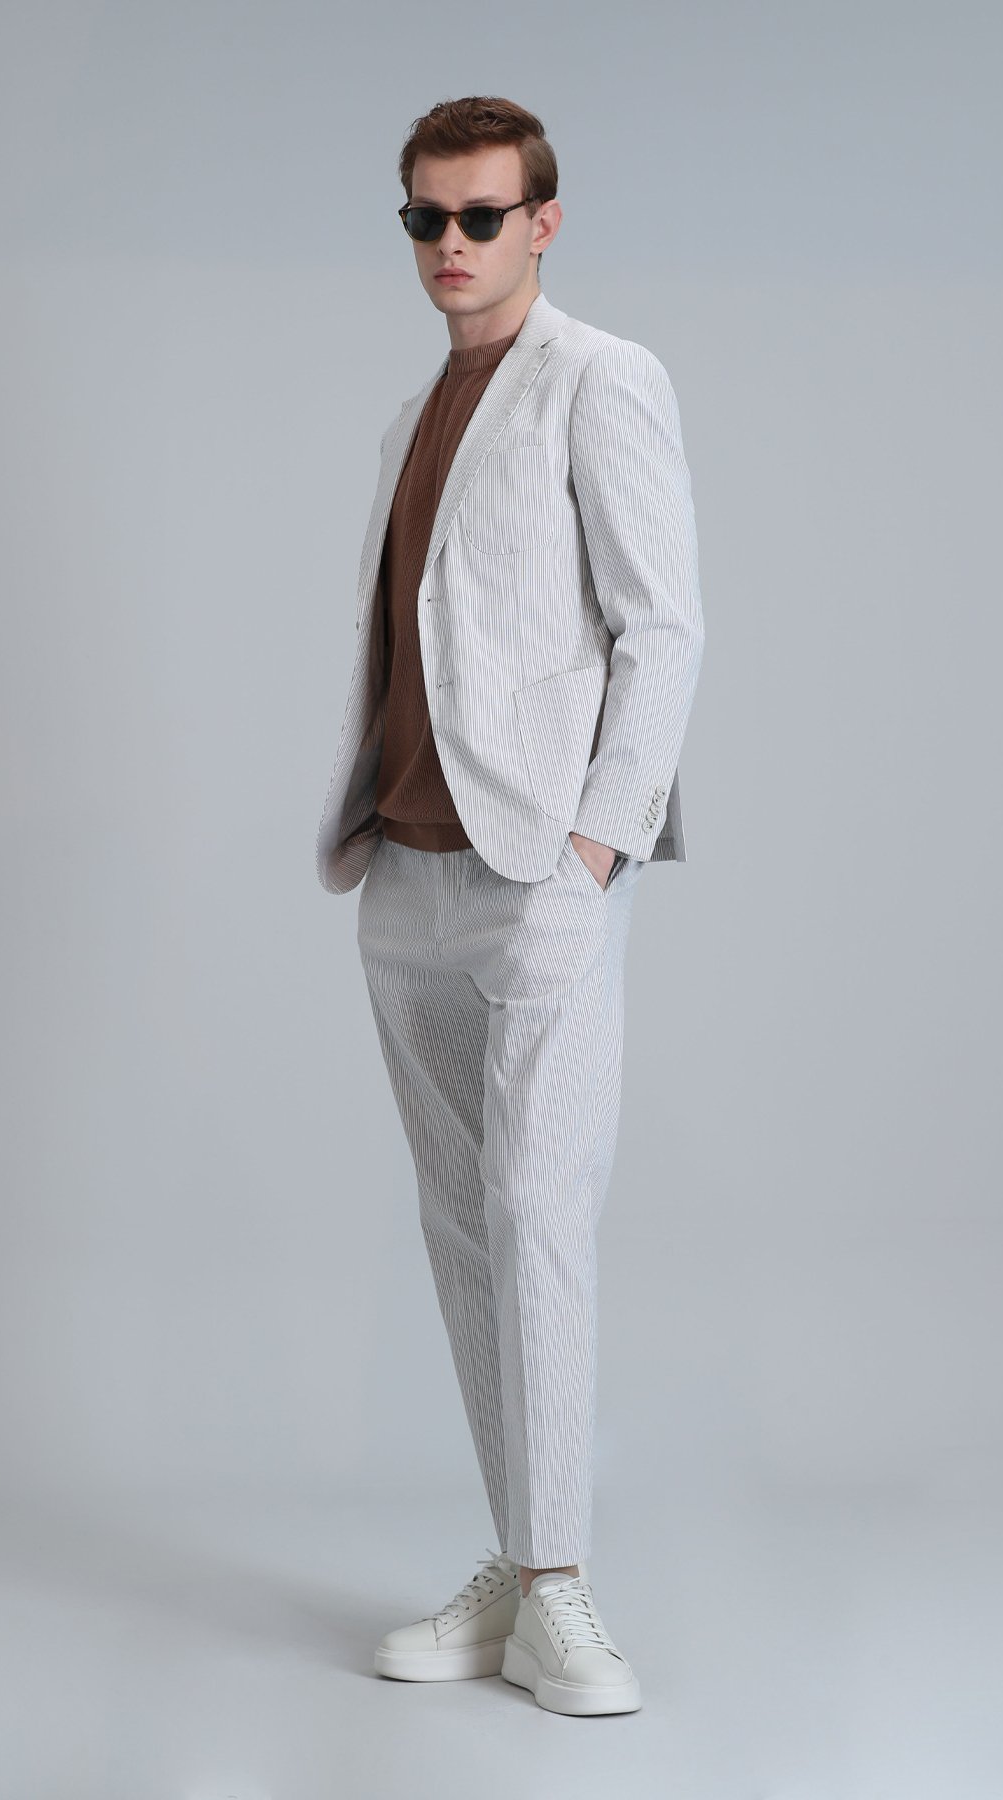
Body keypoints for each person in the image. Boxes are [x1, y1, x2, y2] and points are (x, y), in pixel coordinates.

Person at [314, 94, 705, 1716]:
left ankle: (559, 1594)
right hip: (403, 874)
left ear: (542, 221)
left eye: (481, 216)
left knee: (541, 1218)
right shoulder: (418, 411)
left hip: (538, 871)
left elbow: (663, 626)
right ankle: (517, 1570)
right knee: (464, 1231)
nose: (451, 245)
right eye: (426, 218)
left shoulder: (599, 379)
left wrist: (596, 851)